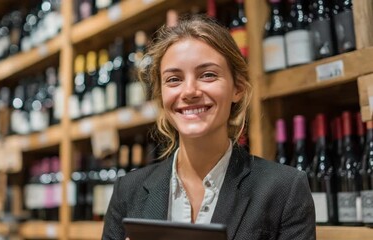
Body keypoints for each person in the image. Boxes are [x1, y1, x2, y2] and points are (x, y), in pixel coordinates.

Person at [102, 14, 315, 240]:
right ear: (161, 93)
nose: (189, 91)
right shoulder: (127, 191)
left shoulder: (285, 189)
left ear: (238, 88)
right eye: (174, 79)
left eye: (208, 75)